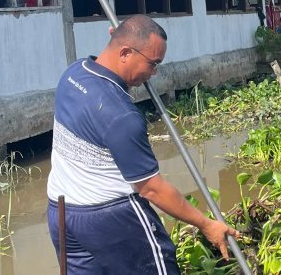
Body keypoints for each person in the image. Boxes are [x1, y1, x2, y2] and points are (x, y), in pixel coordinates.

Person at [46, 15, 238, 275]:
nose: (154, 73)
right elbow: (152, 189)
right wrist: (206, 224)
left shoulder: (73, 73)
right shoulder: (121, 115)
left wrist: (122, 38)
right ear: (125, 52)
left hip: (62, 212)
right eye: (153, 63)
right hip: (111, 218)